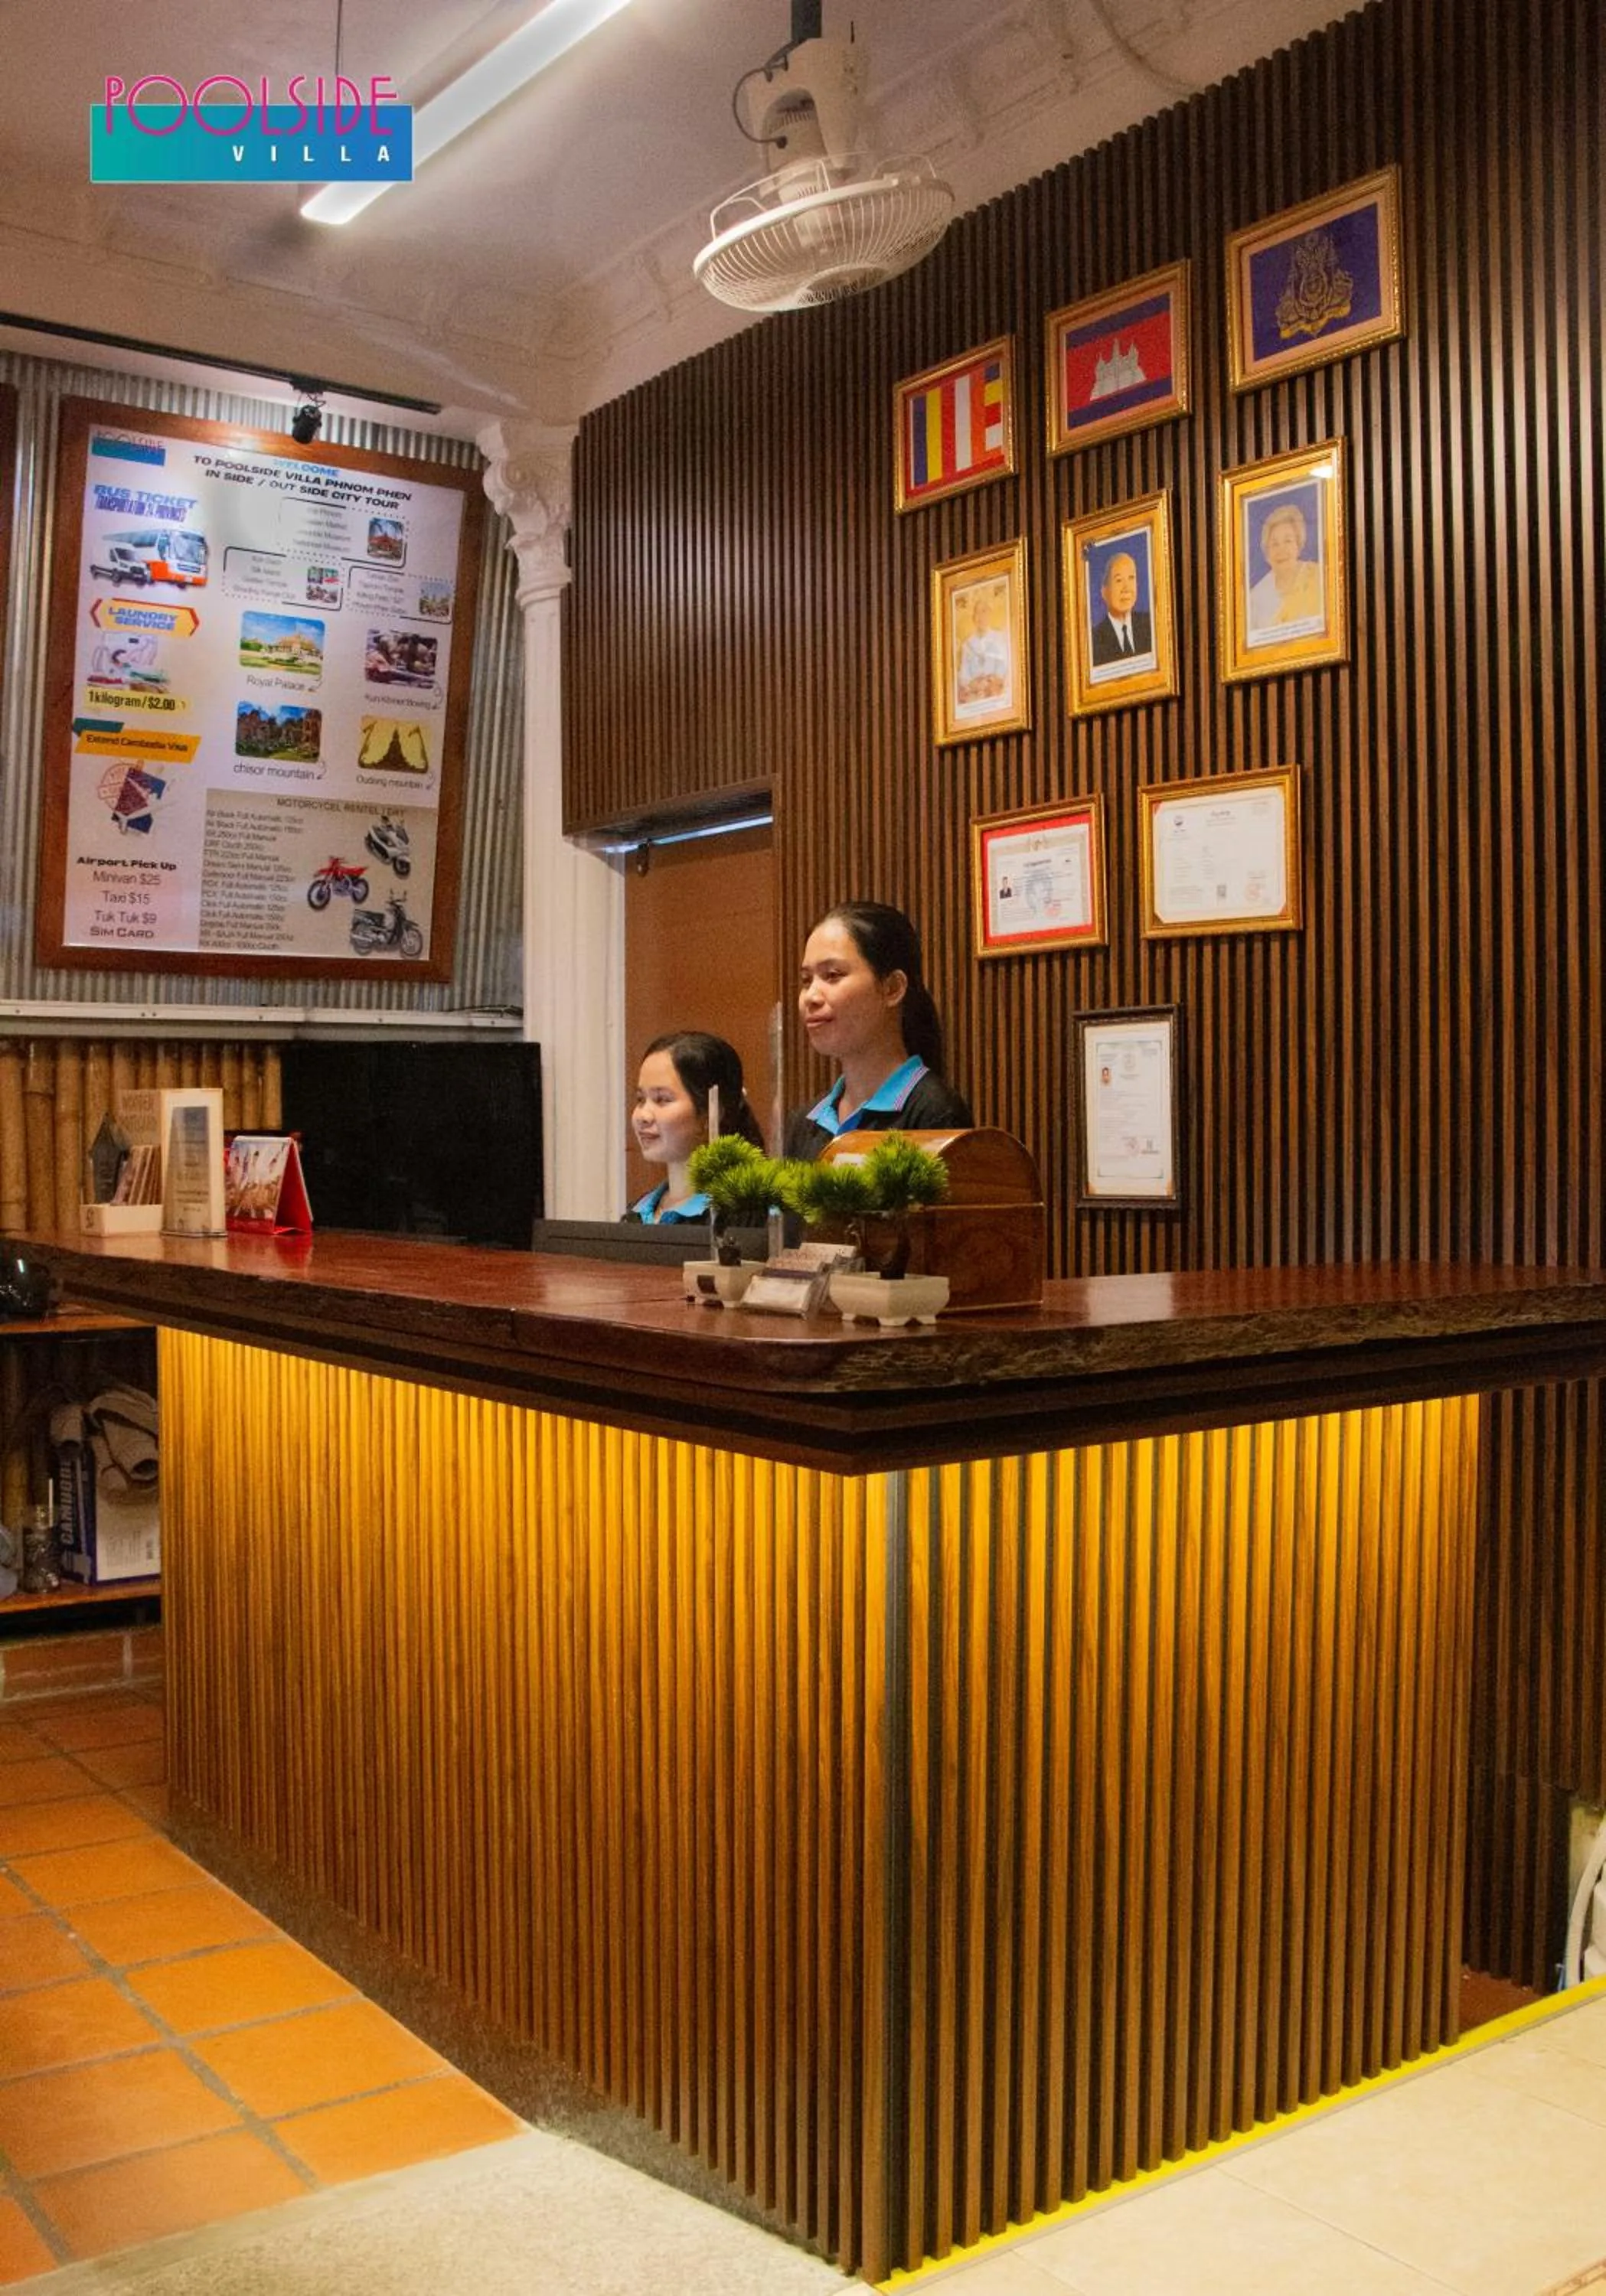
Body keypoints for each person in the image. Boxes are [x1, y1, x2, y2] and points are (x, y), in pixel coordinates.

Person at [784, 902, 972, 1161]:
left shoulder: (935, 1113)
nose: (811, 997)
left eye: (833, 975)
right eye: (807, 980)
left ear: (892, 988)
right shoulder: (804, 1122)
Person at [625, 1030, 764, 1224]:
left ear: (711, 1113)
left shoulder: (745, 1213)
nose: (643, 1116)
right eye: (641, 1099)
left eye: (662, 1099)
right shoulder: (636, 1213)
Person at [1246, 500, 1323, 634]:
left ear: (1298, 546)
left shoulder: (1319, 578)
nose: (1281, 550)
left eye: (1288, 541)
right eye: (1275, 544)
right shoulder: (1255, 598)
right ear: (1267, 553)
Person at [1089, 550, 1152, 665]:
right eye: (1118, 580)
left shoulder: (1151, 624)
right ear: (1104, 592)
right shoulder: (1094, 640)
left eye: (1131, 578)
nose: (1126, 588)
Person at [955, 585, 1010, 706]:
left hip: (995, 692)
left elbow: (1004, 665)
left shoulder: (999, 638)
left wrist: (990, 681)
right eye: (977, 612)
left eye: (984, 611)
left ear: (990, 614)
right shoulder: (967, 644)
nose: (980, 616)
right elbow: (963, 672)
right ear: (974, 617)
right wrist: (972, 684)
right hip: (974, 693)